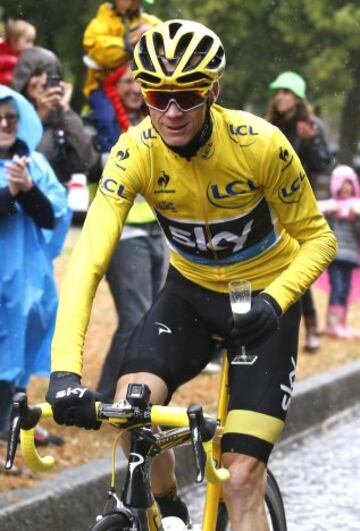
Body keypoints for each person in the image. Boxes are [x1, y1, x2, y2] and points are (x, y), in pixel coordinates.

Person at [46, 20, 337, 529]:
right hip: (191, 295)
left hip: (263, 302)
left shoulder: (261, 143)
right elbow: (89, 258)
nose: (172, 112)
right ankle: (172, 511)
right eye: (158, 97)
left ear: (213, 91)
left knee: (242, 477)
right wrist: (65, 372)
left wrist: (275, 300)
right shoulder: (134, 151)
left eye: (187, 95)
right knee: (131, 410)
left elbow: (320, 239)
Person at [0, 85, 70, 454]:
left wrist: (25, 188)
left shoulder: (33, 165)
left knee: (21, 350)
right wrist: (11, 193)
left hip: (29, 280)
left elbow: (51, 216)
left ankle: (14, 426)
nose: (5, 124)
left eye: (11, 117)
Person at [95, 64, 167, 402]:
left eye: (139, 83)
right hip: (124, 234)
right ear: (112, 85)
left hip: (157, 230)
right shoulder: (99, 118)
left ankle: (135, 393)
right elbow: (92, 163)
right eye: (125, 82)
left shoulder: (158, 120)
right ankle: (107, 394)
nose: (134, 89)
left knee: (153, 316)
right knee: (135, 317)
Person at [266, 71, 333, 353]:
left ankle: (311, 328)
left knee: (299, 267)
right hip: (270, 207)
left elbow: (324, 165)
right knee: (269, 266)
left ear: (298, 97)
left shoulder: (310, 124)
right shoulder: (270, 125)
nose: (280, 96)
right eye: (278, 91)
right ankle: (271, 326)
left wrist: (313, 140)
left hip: (300, 207)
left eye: (286, 91)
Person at [82, 0, 160, 153]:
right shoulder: (100, 23)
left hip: (144, 83)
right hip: (101, 87)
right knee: (106, 118)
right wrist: (129, 43)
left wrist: (152, 36)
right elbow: (99, 51)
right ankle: (113, 157)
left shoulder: (148, 21)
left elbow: (171, 36)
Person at [11, 46, 97, 185]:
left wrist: (65, 109)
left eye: (50, 74)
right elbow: (15, 158)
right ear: (23, 77)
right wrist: (40, 116)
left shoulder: (64, 118)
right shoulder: (8, 116)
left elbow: (86, 162)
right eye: (37, 73)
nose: (44, 80)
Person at [318, 165, 360, 338]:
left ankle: (341, 324)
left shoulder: (356, 207)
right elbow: (321, 229)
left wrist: (356, 217)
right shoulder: (330, 207)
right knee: (337, 287)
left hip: (350, 255)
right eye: (343, 184)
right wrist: (329, 214)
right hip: (335, 254)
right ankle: (332, 325)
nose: (346, 188)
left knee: (345, 289)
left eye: (349, 184)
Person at [0, 19, 36, 86]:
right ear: (14, 39)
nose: (31, 45)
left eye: (32, 41)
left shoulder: (23, 55)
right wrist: (12, 61)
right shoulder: (2, 47)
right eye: (27, 41)